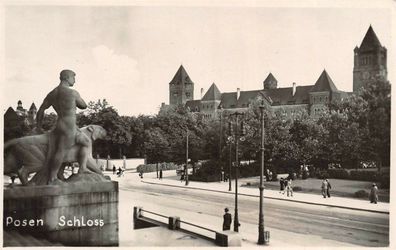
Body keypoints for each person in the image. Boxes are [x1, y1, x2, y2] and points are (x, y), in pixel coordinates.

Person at [36, 69, 89, 184]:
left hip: (59, 124)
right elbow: (84, 106)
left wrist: (38, 126)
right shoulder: (73, 93)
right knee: (61, 151)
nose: (74, 80)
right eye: (73, 77)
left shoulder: (53, 93)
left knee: (82, 143)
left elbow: (41, 109)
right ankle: (53, 177)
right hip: (69, 125)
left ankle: (79, 169)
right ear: (67, 77)